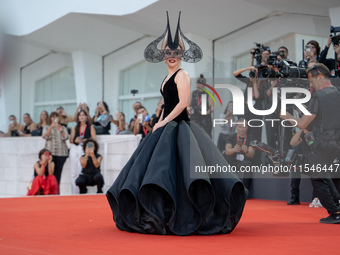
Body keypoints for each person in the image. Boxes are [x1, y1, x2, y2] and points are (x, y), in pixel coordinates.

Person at [106, 12, 247, 235]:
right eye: (169, 53)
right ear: (164, 56)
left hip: (181, 126)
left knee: (178, 172)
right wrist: (159, 122)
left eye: (176, 53)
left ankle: (186, 215)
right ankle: (162, 214)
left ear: (181, 55)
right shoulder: (166, 77)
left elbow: (183, 103)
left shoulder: (183, 75)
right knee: (161, 172)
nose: (172, 56)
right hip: (167, 125)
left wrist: (164, 122)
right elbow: (167, 103)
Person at [281, 63, 340, 224]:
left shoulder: (318, 97)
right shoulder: (337, 92)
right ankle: (337, 206)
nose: (310, 84)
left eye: (311, 80)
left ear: (320, 76)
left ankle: (335, 212)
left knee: (317, 177)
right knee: (324, 175)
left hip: (322, 145)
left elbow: (302, 124)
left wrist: (286, 116)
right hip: (336, 144)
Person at [70, 110, 97, 194]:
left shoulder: (90, 127)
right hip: (75, 148)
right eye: (80, 115)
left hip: (83, 148)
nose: (81, 117)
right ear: (78, 117)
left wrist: (86, 140)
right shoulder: (75, 127)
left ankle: (81, 191)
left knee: (80, 170)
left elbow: (94, 139)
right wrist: (76, 140)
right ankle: (74, 192)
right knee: (73, 171)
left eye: (83, 115)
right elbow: (71, 140)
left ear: (86, 117)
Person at [224, 118, 255, 191]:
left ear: (247, 127)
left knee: (248, 164)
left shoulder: (251, 139)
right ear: (236, 127)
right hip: (232, 160)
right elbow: (227, 151)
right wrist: (234, 150)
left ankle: (245, 190)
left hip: (244, 162)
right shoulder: (231, 137)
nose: (242, 129)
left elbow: (251, 155)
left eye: (244, 127)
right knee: (223, 161)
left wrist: (246, 150)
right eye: (240, 127)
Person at [42, 112, 69, 190]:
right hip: (50, 154)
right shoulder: (47, 127)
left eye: (56, 117)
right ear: (50, 118)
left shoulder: (63, 127)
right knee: (49, 172)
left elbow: (66, 137)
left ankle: (57, 191)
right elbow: (45, 136)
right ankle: (48, 191)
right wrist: (51, 127)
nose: (54, 118)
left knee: (58, 173)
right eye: (52, 117)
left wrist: (61, 131)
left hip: (61, 154)